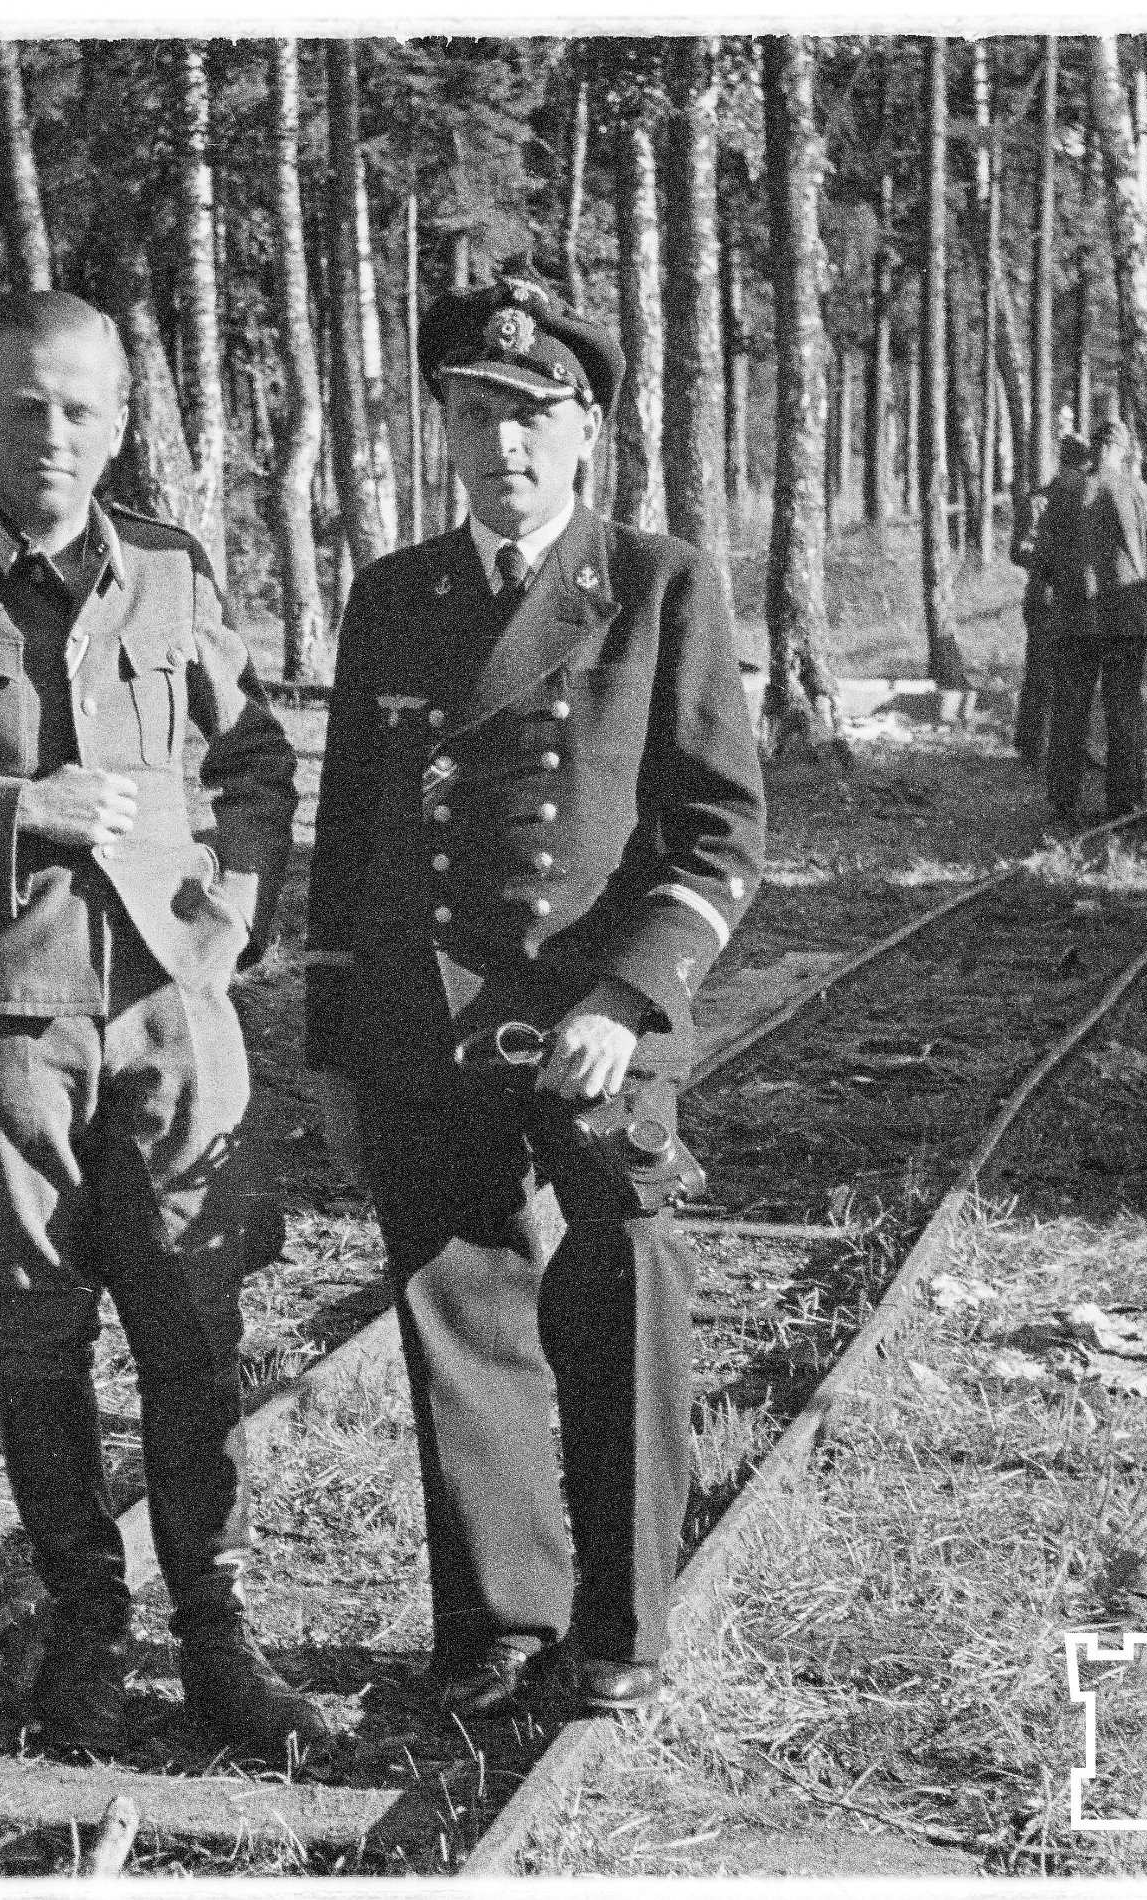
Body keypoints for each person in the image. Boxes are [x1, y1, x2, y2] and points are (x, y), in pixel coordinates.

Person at [0, 291, 323, 1760]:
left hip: (169, 1012)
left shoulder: (169, 570)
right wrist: (11, 811)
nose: (54, 434)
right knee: (40, 1335)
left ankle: (217, 1636)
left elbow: (254, 763)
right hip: (3, 1017)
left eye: (83, 409)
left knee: (196, 1325)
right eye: (26, 405)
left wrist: (230, 920)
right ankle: (86, 1627)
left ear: (120, 423)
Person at [303, 275, 766, 1721]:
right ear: (442, 427)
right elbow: (350, 837)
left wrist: (627, 999)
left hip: (596, 1012)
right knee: (460, 1308)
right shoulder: (395, 598)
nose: (501, 445)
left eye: (531, 416)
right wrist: (332, 1044)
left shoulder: (659, 583)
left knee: (623, 1278)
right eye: (472, 413)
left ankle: (620, 1628)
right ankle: (500, 1624)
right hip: (426, 1009)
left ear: (585, 434)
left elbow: (718, 833)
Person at [1035, 420, 1147, 821]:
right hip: (1125, 621)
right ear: (1123, 450)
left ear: (1095, 447)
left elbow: (1042, 557)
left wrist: (1065, 582)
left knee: (1070, 708)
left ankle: (1063, 802)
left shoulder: (1063, 492)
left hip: (1074, 619)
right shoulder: (1142, 493)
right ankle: (1124, 803)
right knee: (1124, 708)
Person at [1009, 435, 1094, 767]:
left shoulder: (1087, 503)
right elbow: (1019, 550)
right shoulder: (1039, 502)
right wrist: (1054, 562)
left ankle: (1072, 746)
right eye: (1079, 470)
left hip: (1078, 600)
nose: (1082, 477)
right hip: (1045, 599)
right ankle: (1031, 746)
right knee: (1041, 673)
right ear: (1066, 467)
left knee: (1077, 676)